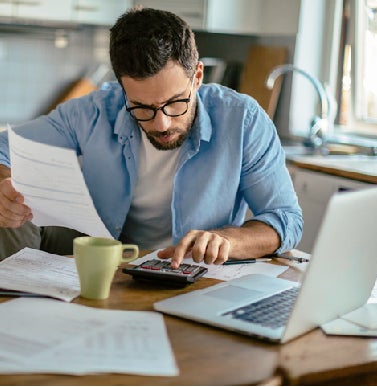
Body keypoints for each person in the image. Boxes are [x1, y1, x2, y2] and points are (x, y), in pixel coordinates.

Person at [0, 6, 302, 268]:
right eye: (141, 107)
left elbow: (285, 219)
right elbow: (4, 148)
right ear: (122, 89)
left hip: (190, 269)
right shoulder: (93, 110)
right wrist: (6, 191)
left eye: (175, 103)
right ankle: (15, 310)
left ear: (197, 76)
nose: (162, 123)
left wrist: (228, 240)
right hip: (102, 252)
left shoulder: (243, 119)